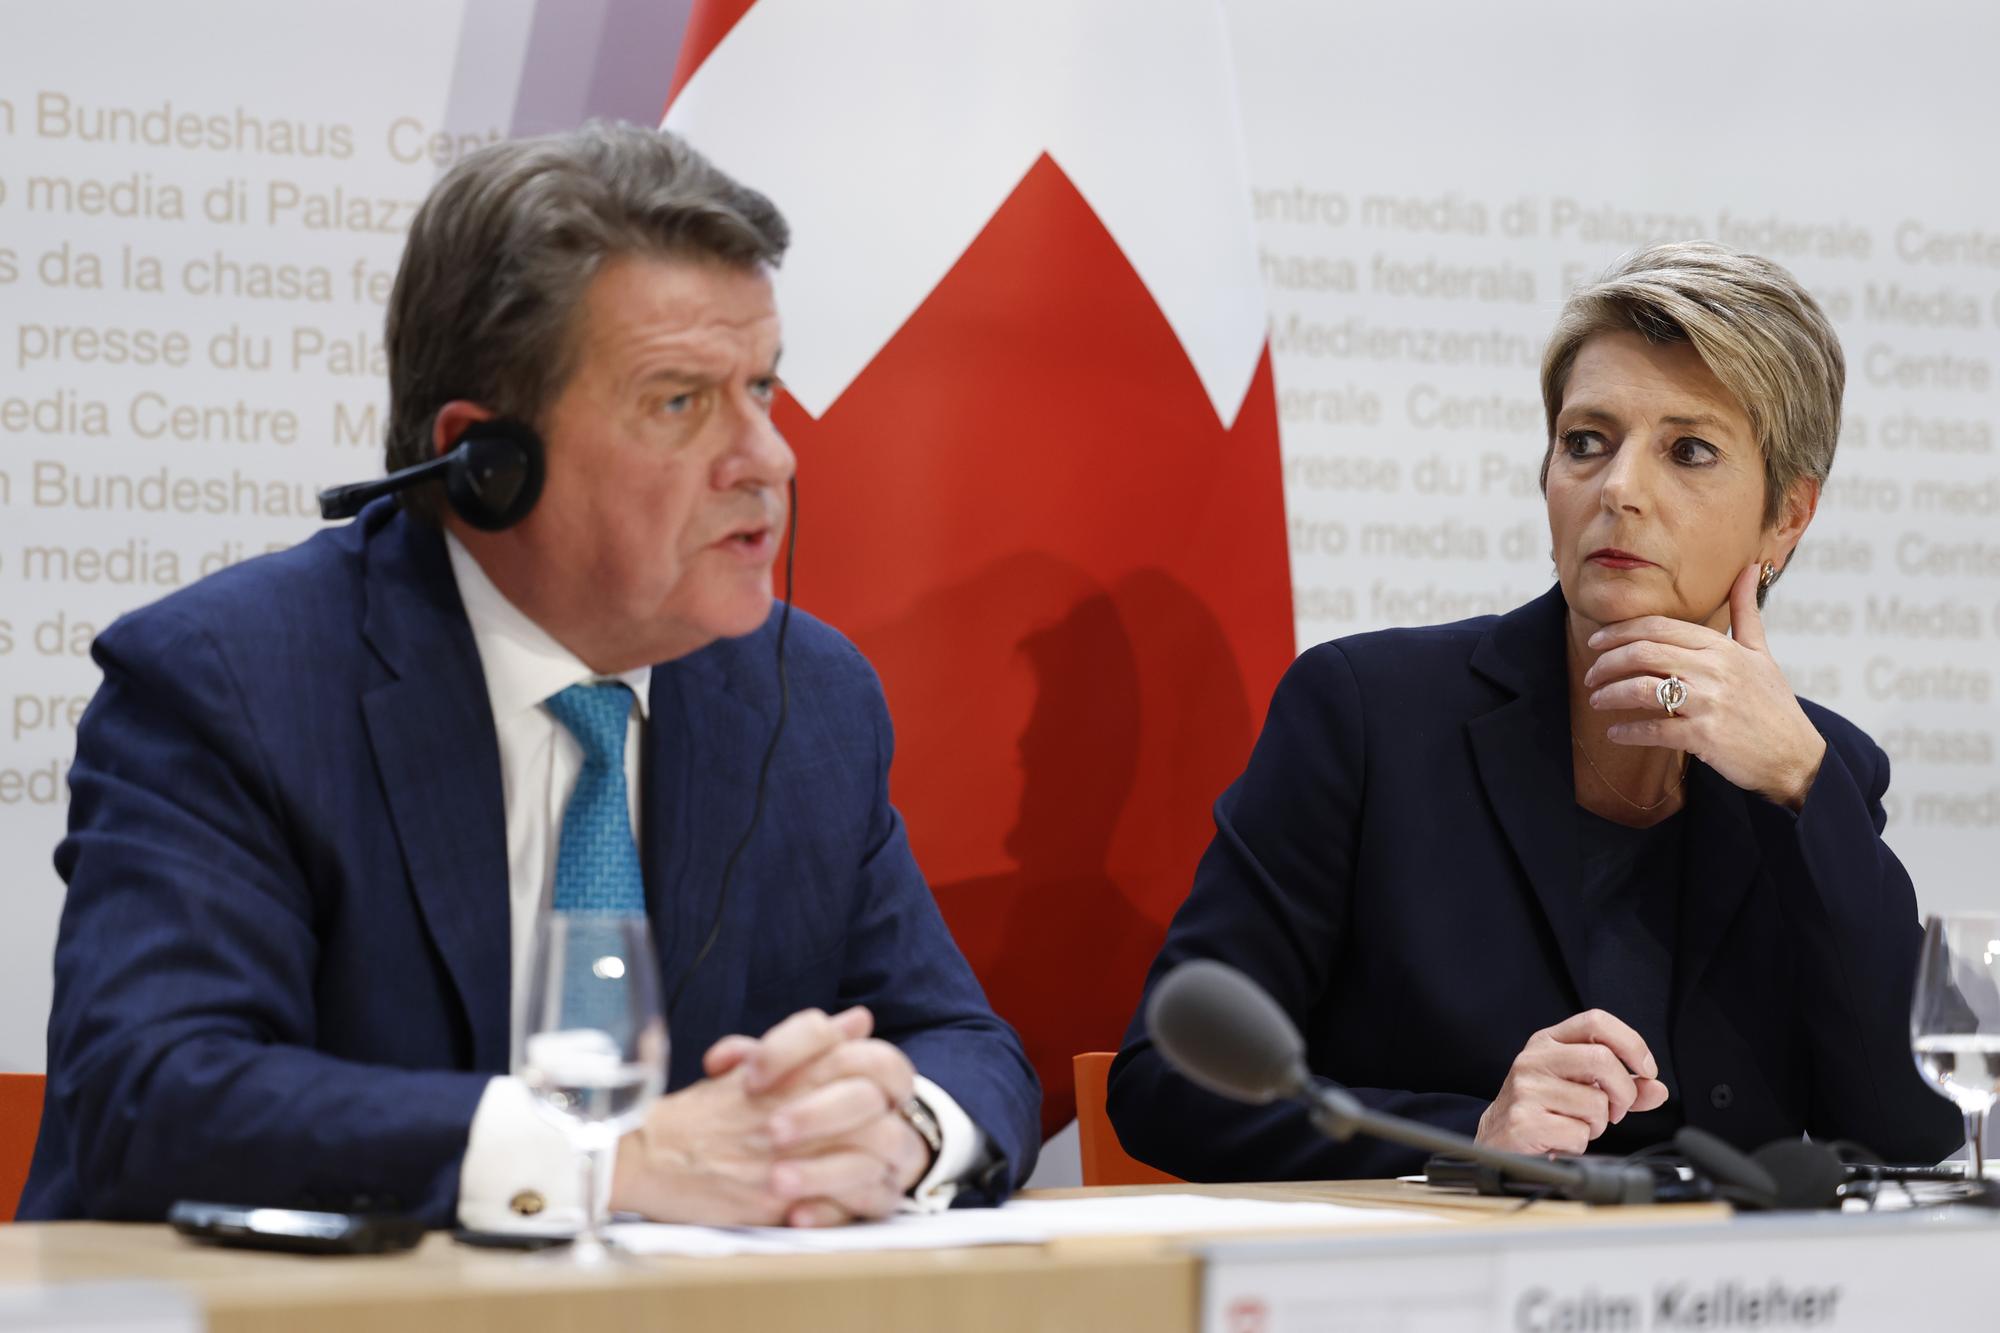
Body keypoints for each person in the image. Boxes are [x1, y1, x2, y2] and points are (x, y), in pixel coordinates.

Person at [20, 122, 1039, 1230]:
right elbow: (154, 1099)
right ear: (486, 465)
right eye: (679, 402)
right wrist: (601, 1162)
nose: (769, 458)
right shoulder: (231, 684)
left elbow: (962, 1046)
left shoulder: (805, 695)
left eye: (761, 388)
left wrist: (892, 1129)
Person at [1108, 241, 1962, 1177]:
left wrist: (1803, 789)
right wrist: (1471, 1135)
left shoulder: (1822, 767)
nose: (1620, 489)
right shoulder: (1367, 717)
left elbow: (1914, 1125)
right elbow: (1166, 1085)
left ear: (1787, 517)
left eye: (1689, 450)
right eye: (1586, 441)